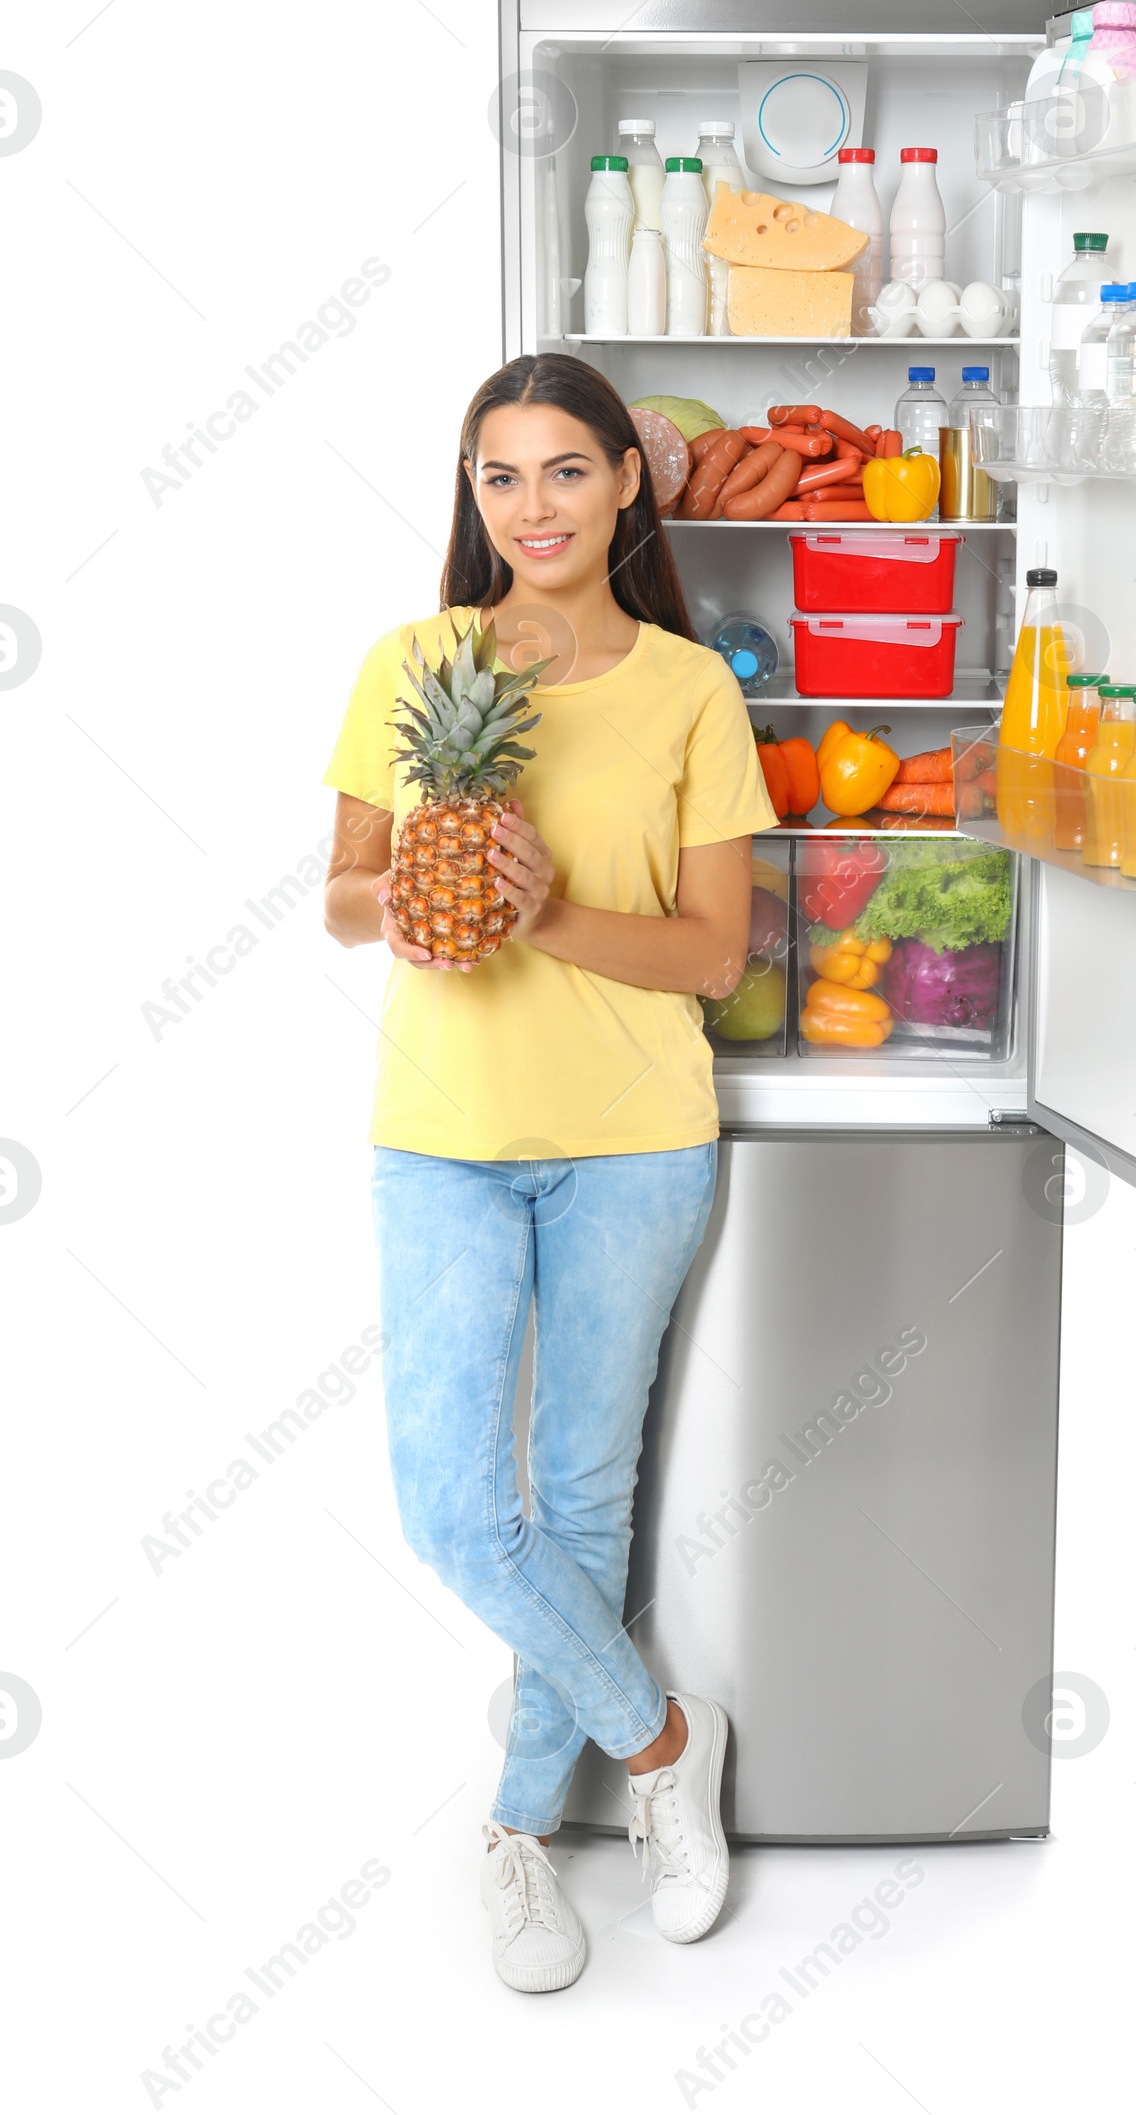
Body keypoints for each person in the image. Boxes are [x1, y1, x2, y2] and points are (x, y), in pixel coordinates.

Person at [322, 352, 778, 1992]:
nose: (532, 509)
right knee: (455, 1506)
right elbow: (339, 896)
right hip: (441, 1132)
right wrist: (433, 888)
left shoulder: (688, 690)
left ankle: (517, 1831)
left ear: (628, 485)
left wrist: (544, 909)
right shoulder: (414, 660)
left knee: (581, 1500)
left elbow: (718, 952)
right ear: (474, 494)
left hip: (636, 1138)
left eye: (566, 473)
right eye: (499, 478)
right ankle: (665, 1747)